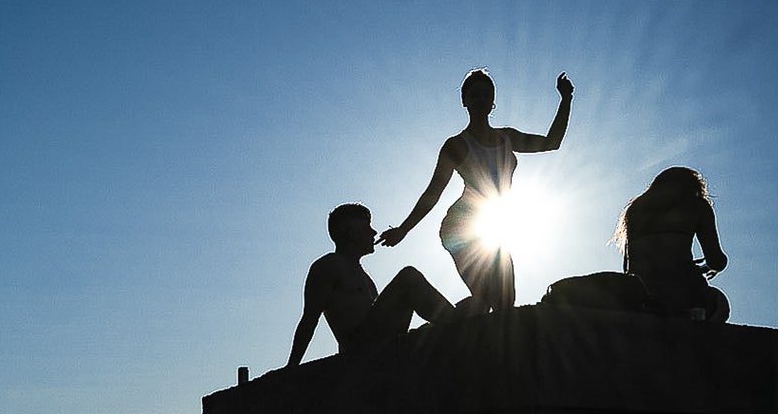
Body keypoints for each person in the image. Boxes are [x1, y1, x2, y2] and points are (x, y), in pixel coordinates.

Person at [381, 69, 575, 313]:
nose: (481, 99)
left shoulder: (507, 137)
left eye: (486, 94)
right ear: (465, 101)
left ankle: (454, 321)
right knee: (493, 300)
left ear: (493, 101)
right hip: (460, 226)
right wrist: (404, 229)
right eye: (475, 95)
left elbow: (551, 142)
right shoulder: (456, 145)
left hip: (492, 225)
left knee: (505, 302)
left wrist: (566, 100)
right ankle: (448, 324)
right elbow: (433, 192)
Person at [287, 204, 454, 367]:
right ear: (351, 232)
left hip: (384, 341)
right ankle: (456, 321)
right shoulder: (329, 265)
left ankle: (454, 320)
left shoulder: (363, 274)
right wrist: (292, 366)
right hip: (359, 346)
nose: (373, 232)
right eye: (367, 227)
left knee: (435, 325)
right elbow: (309, 319)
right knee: (408, 277)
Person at [615, 166, 728, 319]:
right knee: (719, 303)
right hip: (682, 289)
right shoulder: (698, 205)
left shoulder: (635, 208)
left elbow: (628, 265)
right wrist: (708, 267)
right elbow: (717, 260)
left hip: (642, 290)